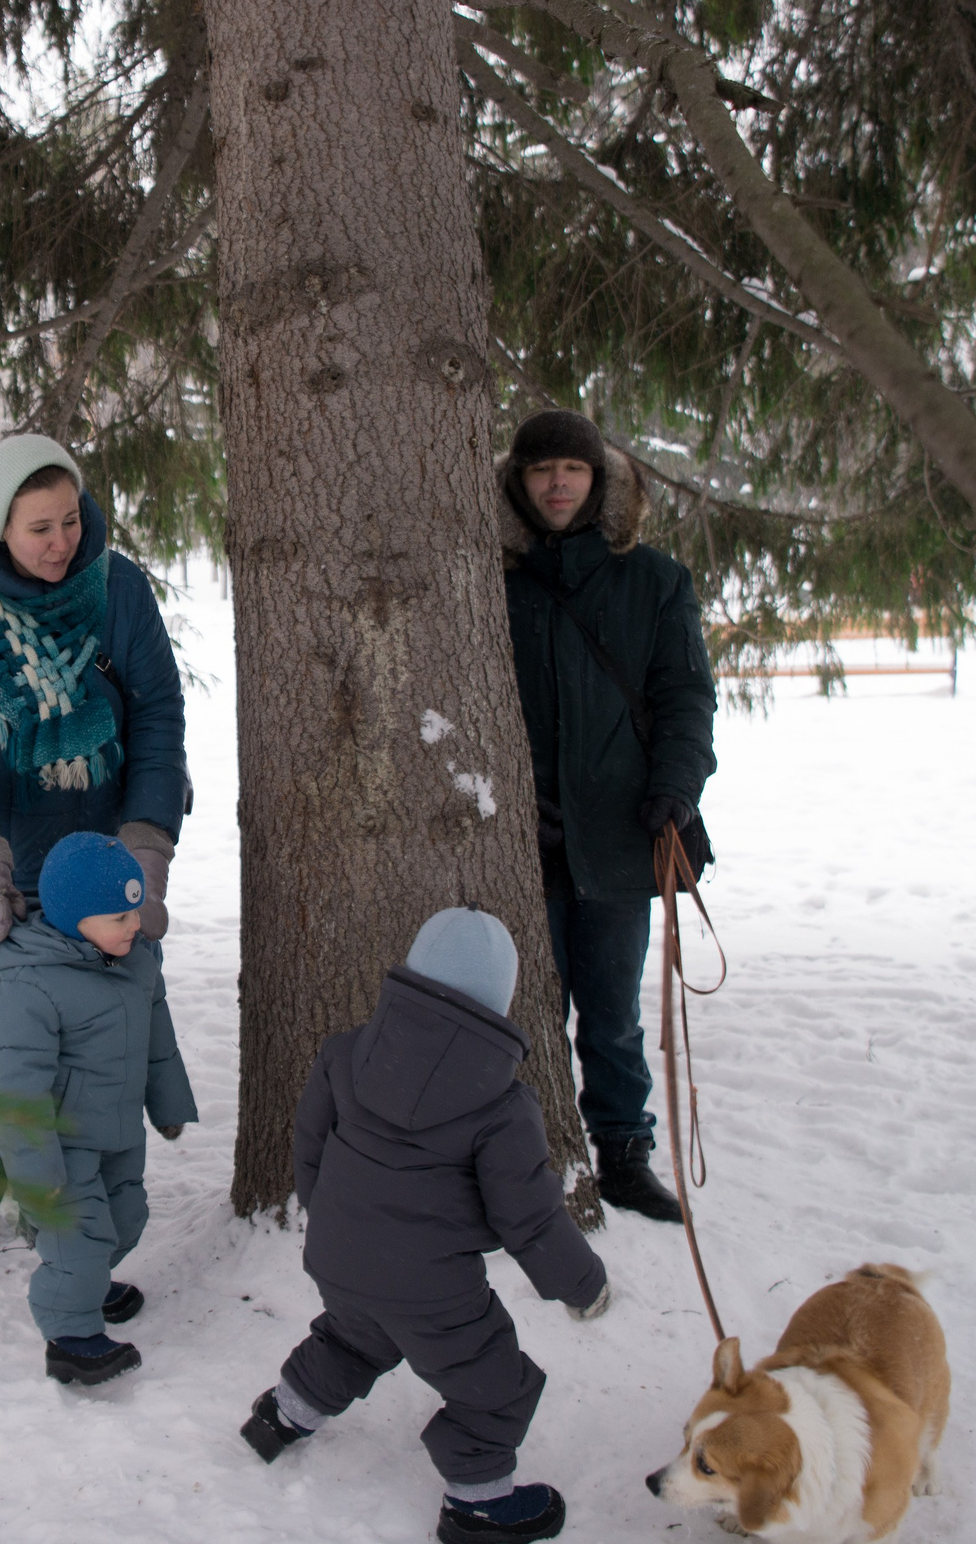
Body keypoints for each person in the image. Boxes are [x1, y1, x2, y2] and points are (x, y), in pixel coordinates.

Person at [0, 434, 189, 1259]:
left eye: (69, 519)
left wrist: (146, 842)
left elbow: (158, 717)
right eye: (38, 528)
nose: (61, 541)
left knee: (84, 1043)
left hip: (93, 867)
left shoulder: (119, 591)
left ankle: (59, 1203)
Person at [238, 908, 610, 1544]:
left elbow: (310, 1144)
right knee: (493, 1384)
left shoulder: (347, 1053)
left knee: (353, 1339)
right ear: (499, 1000)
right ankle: (479, 1504)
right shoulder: (503, 1104)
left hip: (337, 1255)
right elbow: (528, 1215)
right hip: (433, 1291)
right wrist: (582, 1284)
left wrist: (326, 1214)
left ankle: (283, 1415)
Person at [496, 409, 718, 1222]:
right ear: (518, 482)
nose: (557, 483)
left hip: (623, 835)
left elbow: (685, 696)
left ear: (600, 480)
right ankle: (529, 1157)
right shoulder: (491, 576)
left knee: (615, 1014)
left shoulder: (654, 580)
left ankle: (624, 1154)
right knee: (530, 1009)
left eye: (574, 469)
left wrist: (676, 786)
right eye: (540, 469)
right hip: (525, 836)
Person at [0, 832, 197, 1385]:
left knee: (126, 1220)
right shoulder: (26, 982)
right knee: (79, 1238)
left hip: (120, 1131)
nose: (133, 925)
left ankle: (87, 1281)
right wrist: (37, 1177)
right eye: (118, 917)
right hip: (62, 1143)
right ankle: (70, 1336)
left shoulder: (136, 962)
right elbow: (16, 1094)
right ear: (75, 917)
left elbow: (158, 1041)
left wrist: (168, 1104)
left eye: (134, 912)